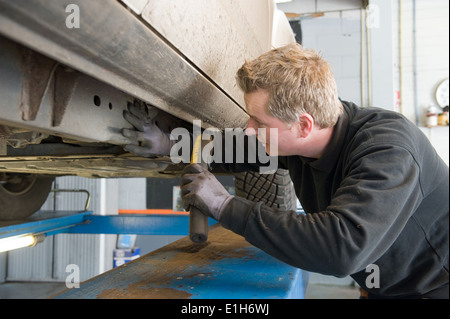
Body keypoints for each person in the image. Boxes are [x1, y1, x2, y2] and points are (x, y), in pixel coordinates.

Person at [122, 43, 449, 299]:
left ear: (303, 125)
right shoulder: (306, 139)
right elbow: (242, 149)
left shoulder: (389, 151)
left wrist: (224, 205)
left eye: (259, 122)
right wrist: (170, 143)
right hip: (388, 284)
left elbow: (339, 250)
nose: (249, 130)